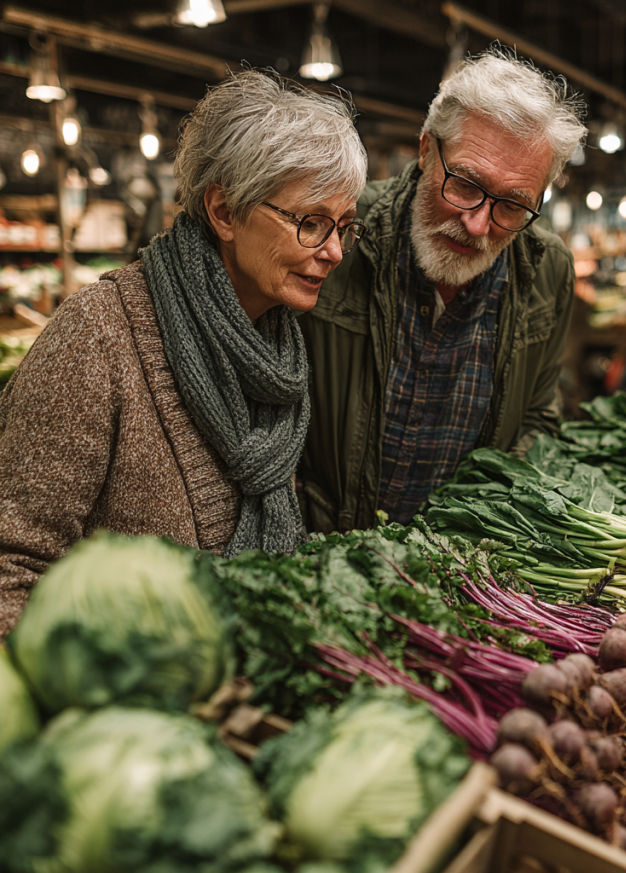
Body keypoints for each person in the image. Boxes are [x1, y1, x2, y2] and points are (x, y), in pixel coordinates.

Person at [0, 71, 368, 637]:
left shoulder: (279, 349)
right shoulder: (97, 336)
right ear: (223, 211)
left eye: (344, 226)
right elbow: (11, 564)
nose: (336, 251)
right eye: (312, 223)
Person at [297, 47, 586, 532]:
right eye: (466, 185)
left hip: (459, 570)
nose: (478, 226)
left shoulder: (547, 269)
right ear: (427, 149)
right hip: (318, 553)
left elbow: (537, 416)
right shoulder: (337, 232)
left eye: (513, 206)